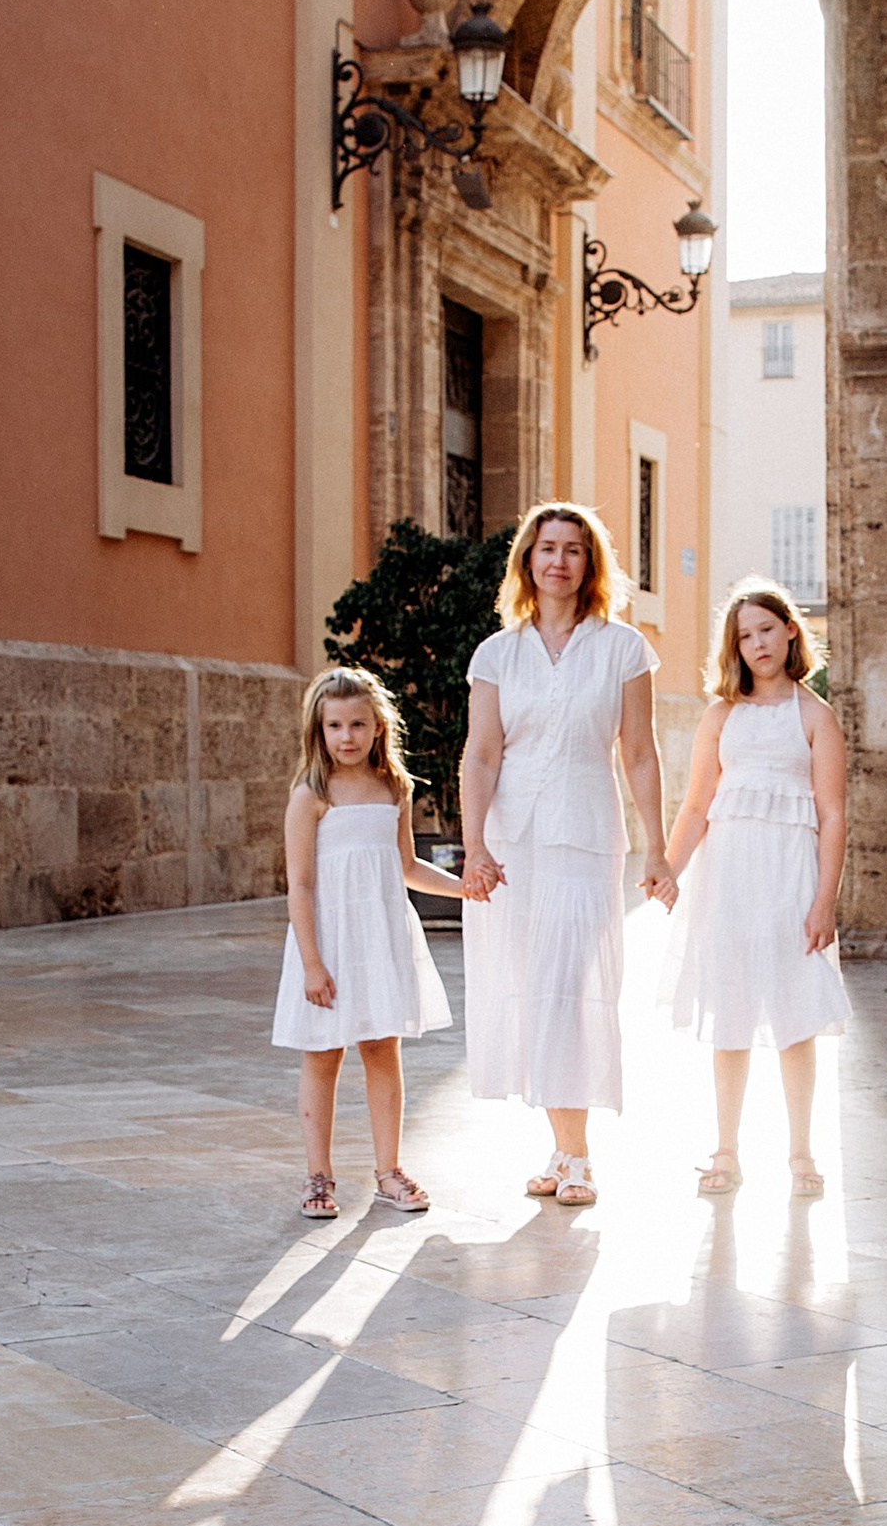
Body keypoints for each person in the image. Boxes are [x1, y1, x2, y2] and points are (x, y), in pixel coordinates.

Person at [458, 499, 673, 1207]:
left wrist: (658, 850)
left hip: (586, 837)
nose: (559, 561)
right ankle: (561, 1147)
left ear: (590, 564)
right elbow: (482, 755)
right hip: (515, 843)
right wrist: (474, 845)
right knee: (532, 987)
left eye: (573, 550)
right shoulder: (497, 653)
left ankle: (576, 1154)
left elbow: (639, 753)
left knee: (571, 988)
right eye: (547, 548)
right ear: (528, 560)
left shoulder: (622, 648)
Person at [656, 577, 850, 1194]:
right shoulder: (722, 716)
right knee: (731, 1012)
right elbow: (695, 806)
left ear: (791, 630)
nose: (757, 643)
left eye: (766, 629)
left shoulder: (816, 717)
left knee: (796, 1016)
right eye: (744, 636)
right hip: (731, 879)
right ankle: (726, 1151)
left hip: (790, 877)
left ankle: (800, 1153)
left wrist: (825, 899)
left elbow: (834, 814)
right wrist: (668, 867)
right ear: (733, 648)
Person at [274, 665, 457, 1221]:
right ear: (319, 729)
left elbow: (406, 866)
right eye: (335, 726)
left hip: (379, 938)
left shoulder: (392, 788)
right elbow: (300, 884)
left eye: (358, 724)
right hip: (327, 942)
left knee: (383, 1050)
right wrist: (312, 964)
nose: (347, 736)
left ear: (379, 727)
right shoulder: (311, 794)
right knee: (322, 1055)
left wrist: (466, 891)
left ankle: (388, 1170)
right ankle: (318, 1176)